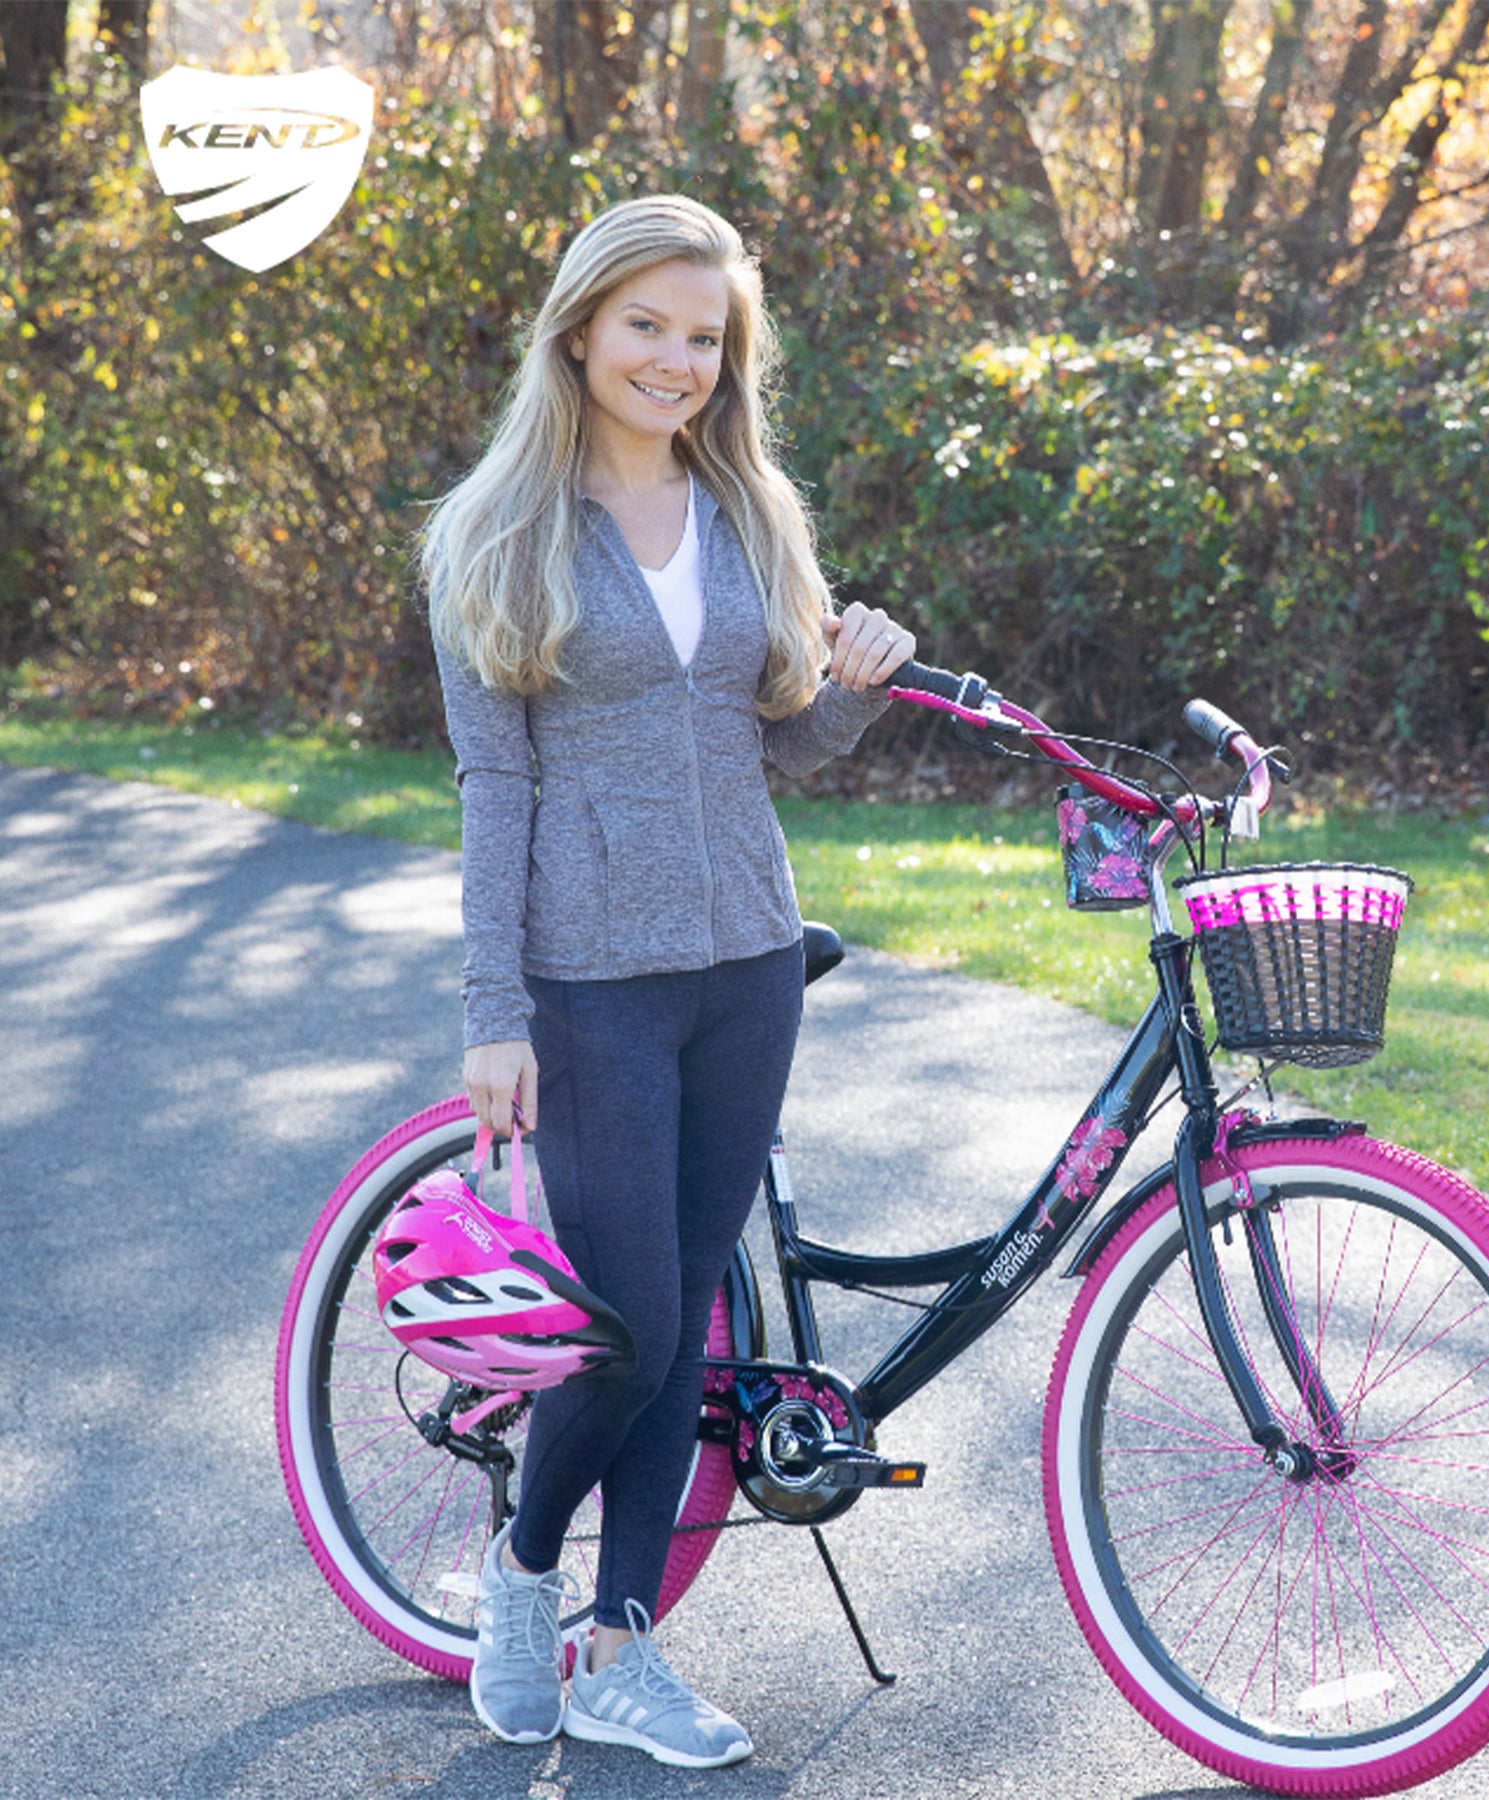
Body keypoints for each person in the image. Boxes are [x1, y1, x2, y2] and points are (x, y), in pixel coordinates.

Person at [417, 193, 915, 1764]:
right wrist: (496, 1012)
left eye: (705, 337)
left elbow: (767, 747)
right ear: (581, 327)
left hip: (747, 961)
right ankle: (521, 1568)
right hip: (590, 979)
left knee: (690, 1316)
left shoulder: (751, 506)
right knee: (627, 1323)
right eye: (649, 326)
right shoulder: (495, 531)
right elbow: (494, 787)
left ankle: (625, 1649)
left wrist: (850, 693)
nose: (677, 361)